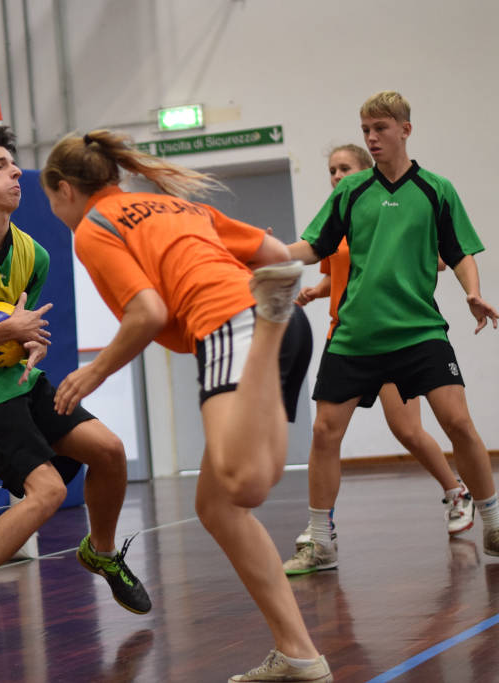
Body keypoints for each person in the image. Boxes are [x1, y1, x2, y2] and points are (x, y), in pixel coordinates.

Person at [41, 129, 331, 683]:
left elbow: (146, 312)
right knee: (219, 505)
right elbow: (272, 253)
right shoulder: (175, 204)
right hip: (285, 321)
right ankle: (299, 654)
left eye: (52, 200)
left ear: (62, 190)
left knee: (243, 487)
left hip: (235, 325)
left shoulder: (93, 228)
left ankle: (266, 325)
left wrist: (93, 372)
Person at [0, 125, 151, 664]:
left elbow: (23, 327)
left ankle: (101, 552)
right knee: (45, 493)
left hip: (17, 381)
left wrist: (31, 345)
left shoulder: (32, 253)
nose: (16, 172)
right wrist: (4, 335)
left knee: (108, 452)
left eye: (14, 165)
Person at [283, 91, 499, 576]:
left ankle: (492, 520)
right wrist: (269, 250)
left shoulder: (436, 189)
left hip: (419, 331)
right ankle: (320, 542)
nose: (371, 138)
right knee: (323, 431)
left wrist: (472, 292)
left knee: (457, 423)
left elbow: (460, 251)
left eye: (379, 128)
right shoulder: (351, 192)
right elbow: (314, 244)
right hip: (356, 335)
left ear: (405, 129)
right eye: (365, 130)